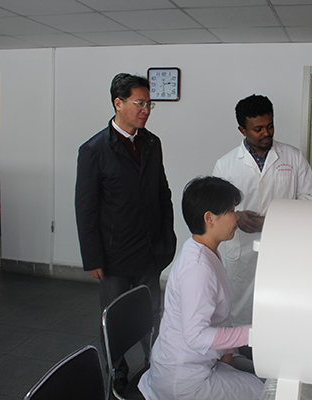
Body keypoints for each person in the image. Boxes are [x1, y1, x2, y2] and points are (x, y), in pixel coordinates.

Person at [74, 73, 176, 390]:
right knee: (114, 317)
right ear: (118, 103)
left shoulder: (152, 143)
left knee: (152, 313)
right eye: (139, 103)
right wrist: (92, 257)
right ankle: (117, 371)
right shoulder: (94, 150)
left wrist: (167, 238)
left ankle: (154, 364)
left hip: (149, 249)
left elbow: (162, 193)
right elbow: (86, 208)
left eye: (149, 104)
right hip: (113, 254)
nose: (145, 110)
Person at [138, 176, 264, 400]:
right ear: (209, 218)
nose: (237, 216)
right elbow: (196, 337)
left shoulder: (204, 251)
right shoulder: (197, 268)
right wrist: (254, 333)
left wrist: (228, 358)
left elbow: (219, 317)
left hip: (200, 363)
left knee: (257, 378)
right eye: (231, 210)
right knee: (263, 392)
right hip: (184, 380)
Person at [213, 94, 312, 326]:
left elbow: (310, 198)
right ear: (242, 130)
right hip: (241, 249)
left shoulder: (293, 157)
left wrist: (275, 219)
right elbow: (215, 209)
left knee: (279, 304)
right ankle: (242, 345)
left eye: (270, 126)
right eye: (258, 129)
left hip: (281, 244)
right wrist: (237, 217)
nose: (266, 133)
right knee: (240, 307)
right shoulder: (225, 164)